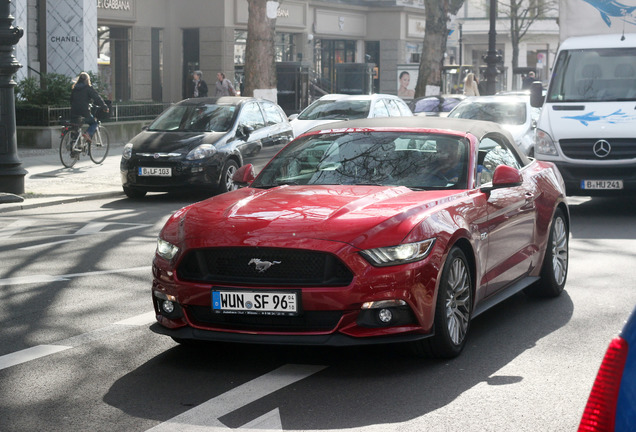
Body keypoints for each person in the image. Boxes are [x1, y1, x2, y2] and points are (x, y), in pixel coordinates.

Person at [70, 72, 108, 143]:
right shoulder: (88, 88)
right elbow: (97, 98)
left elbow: (71, 100)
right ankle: (87, 134)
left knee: (75, 128)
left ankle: (73, 147)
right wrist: (104, 106)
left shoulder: (74, 88)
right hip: (84, 112)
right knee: (94, 123)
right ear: (87, 80)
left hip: (74, 112)